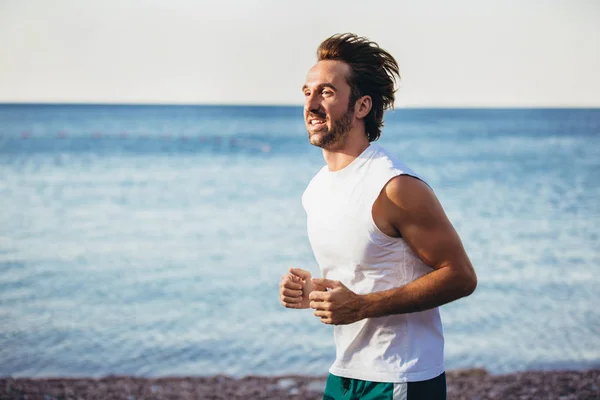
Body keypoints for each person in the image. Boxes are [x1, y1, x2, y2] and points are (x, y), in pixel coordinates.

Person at [279, 33, 477, 399]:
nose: (312, 103)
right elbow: (362, 275)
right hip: (344, 372)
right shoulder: (316, 189)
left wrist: (361, 307)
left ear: (361, 106)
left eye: (327, 92)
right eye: (307, 92)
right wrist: (312, 293)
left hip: (401, 376)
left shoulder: (395, 186)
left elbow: (461, 276)